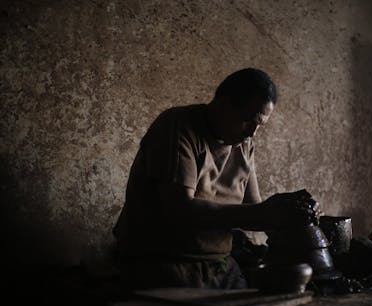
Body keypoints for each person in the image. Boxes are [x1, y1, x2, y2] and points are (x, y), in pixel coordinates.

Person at [113, 68, 319, 290]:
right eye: (248, 120)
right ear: (222, 104)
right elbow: (181, 208)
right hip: (161, 262)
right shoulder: (178, 126)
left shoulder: (244, 143)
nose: (253, 132)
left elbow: (253, 209)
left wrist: (291, 213)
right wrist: (267, 212)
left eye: (260, 124)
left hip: (217, 264)